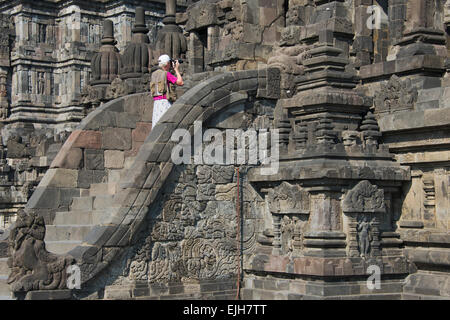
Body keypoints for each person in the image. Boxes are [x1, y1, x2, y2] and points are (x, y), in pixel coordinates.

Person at [150, 54, 184, 128]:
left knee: (156, 125)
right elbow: (180, 82)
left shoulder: (154, 74)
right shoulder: (166, 74)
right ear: (167, 64)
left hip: (156, 104)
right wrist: (176, 70)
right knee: (166, 124)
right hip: (165, 102)